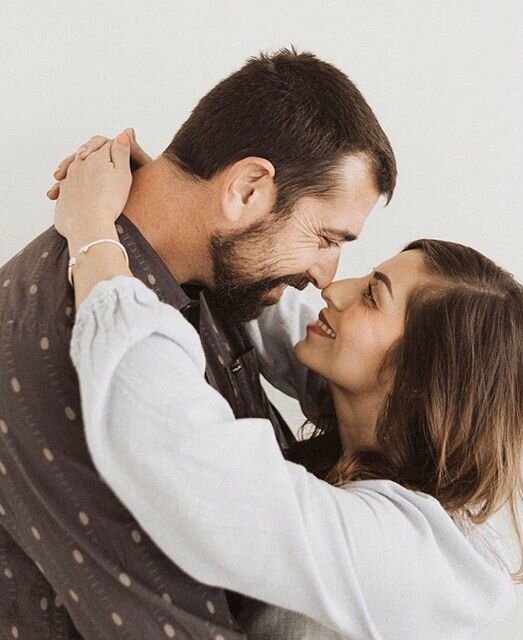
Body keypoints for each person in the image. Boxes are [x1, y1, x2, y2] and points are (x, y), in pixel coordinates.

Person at [51, 136, 523, 639]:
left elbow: (183, 464)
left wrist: (92, 231)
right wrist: (187, 204)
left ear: (420, 380)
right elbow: (278, 319)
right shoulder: (388, 434)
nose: (333, 288)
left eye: (373, 296)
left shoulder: (403, 556)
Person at [0, 48, 396, 638]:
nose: (326, 275)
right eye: (325, 236)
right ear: (247, 189)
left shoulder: (204, 272)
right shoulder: (79, 338)